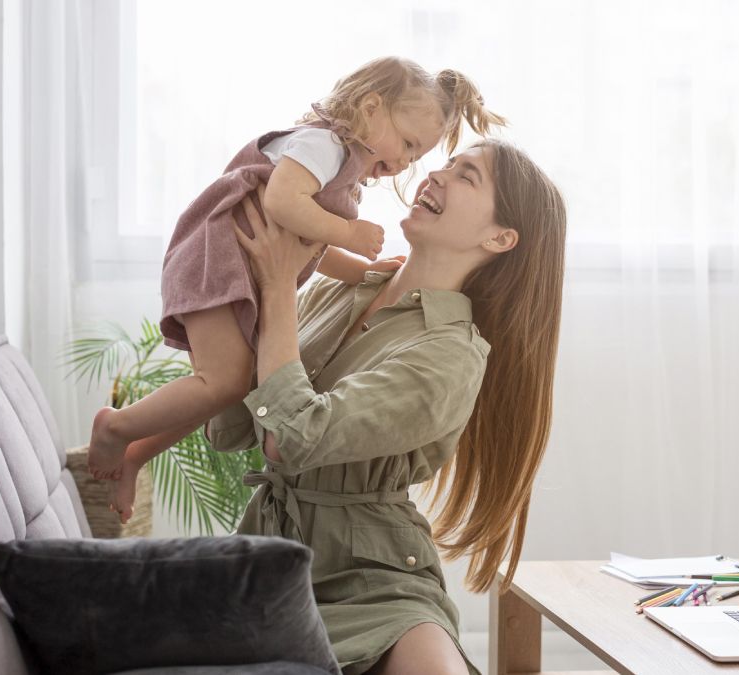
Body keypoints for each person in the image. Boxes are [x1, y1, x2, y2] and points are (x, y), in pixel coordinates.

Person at [201, 138, 566, 674]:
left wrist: (277, 287)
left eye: (467, 176)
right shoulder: (336, 290)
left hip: (375, 583)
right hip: (268, 557)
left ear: (500, 237)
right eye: (446, 162)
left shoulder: (450, 354)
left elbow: (289, 439)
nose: (438, 174)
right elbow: (227, 428)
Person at [85, 57, 505, 500]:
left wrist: (358, 271)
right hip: (216, 263)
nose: (408, 164)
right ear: (370, 108)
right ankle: (116, 427)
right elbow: (282, 207)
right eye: (406, 143)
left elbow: (305, 249)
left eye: (416, 154)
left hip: (234, 270)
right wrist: (349, 234)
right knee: (224, 382)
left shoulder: (445, 353)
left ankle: (135, 453)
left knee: (224, 387)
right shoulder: (323, 147)